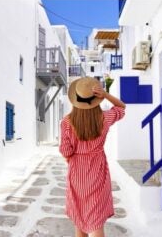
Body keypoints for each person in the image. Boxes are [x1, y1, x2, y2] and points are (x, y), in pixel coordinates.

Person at [60, 77, 126, 237]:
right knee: (96, 219)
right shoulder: (104, 118)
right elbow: (121, 107)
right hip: (98, 170)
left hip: (77, 173)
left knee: (79, 217)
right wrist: (106, 95)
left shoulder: (66, 122)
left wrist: (73, 159)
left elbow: (65, 151)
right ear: (96, 100)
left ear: (75, 100)